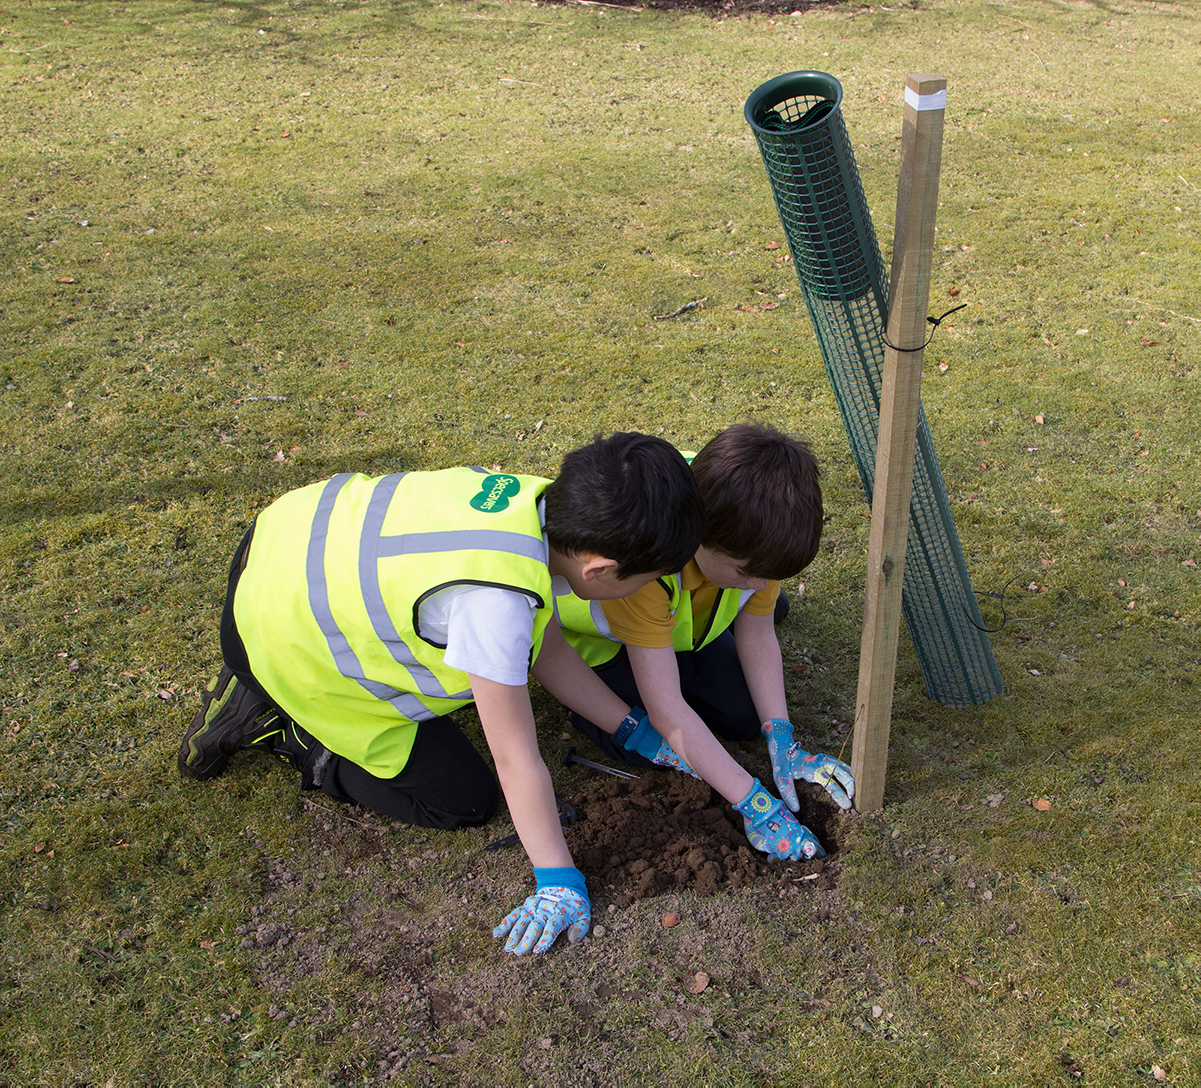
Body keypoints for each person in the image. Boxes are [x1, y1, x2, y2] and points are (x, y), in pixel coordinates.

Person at [177, 433, 704, 956]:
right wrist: (557, 878)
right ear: (601, 571)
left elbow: (548, 650)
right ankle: (278, 719)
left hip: (283, 536)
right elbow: (515, 758)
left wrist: (634, 732)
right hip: (274, 629)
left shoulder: (532, 502)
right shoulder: (496, 604)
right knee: (461, 800)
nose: (645, 594)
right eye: (647, 580)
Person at [556, 423, 855, 861]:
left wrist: (782, 737)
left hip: (681, 629)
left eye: (768, 574)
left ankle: (709, 624)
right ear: (698, 535)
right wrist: (753, 803)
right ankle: (586, 706)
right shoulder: (646, 567)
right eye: (744, 572)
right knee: (651, 750)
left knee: (744, 716)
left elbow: (758, 632)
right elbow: (667, 708)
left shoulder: (755, 535)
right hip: (607, 643)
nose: (759, 582)